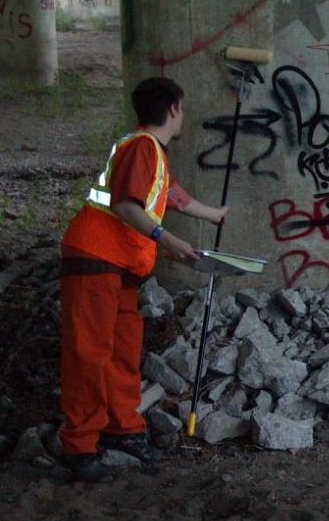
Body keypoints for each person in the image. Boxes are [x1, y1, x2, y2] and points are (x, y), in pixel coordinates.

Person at [58, 77, 227, 483]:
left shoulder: (148, 152)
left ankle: (122, 428)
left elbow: (169, 197)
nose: (182, 115)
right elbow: (128, 206)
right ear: (173, 109)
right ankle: (80, 446)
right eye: (182, 108)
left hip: (117, 264)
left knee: (120, 351)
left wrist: (214, 215)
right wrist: (168, 239)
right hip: (96, 259)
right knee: (90, 354)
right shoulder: (142, 148)